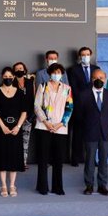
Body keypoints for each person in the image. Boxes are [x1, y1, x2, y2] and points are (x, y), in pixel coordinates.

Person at [33, 63, 73, 195]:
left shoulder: (67, 88)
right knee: (43, 158)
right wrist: (46, 122)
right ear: (50, 73)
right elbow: (37, 106)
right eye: (54, 72)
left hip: (60, 128)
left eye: (59, 72)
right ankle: (42, 186)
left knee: (58, 159)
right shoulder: (43, 86)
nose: (56, 74)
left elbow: (69, 108)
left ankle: (58, 187)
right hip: (44, 127)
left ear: (62, 74)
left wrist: (61, 124)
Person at [0, 67, 28, 197]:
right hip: (1, 129)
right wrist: (2, 126)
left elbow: (24, 111)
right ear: (2, 77)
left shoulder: (20, 93)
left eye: (10, 76)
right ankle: (4, 185)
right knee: (2, 156)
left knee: (14, 156)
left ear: (14, 77)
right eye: (5, 76)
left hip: (16, 129)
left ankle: (12, 185)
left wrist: (18, 126)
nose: (8, 78)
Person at [78, 69, 108, 196]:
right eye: (95, 77)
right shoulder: (83, 94)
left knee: (104, 160)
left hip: (105, 132)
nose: (98, 80)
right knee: (89, 160)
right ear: (91, 79)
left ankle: (102, 185)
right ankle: (89, 185)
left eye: (101, 77)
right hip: (90, 132)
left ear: (105, 78)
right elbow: (80, 115)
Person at [67, 47, 101, 167]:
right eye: (83, 54)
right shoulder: (73, 70)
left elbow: (98, 87)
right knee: (77, 133)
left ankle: (92, 159)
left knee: (93, 133)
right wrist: (84, 96)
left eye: (87, 54)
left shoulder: (96, 69)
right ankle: (75, 158)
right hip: (79, 105)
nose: (85, 56)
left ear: (90, 55)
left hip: (93, 105)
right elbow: (73, 88)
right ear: (79, 56)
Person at [13, 62, 35, 169]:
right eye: (16, 69)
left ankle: (23, 162)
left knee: (25, 140)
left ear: (25, 70)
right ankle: (14, 161)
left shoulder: (30, 82)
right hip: (16, 117)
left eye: (21, 68)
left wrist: (30, 115)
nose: (19, 70)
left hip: (29, 116)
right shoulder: (11, 83)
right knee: (15, 140)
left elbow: (34, 98)